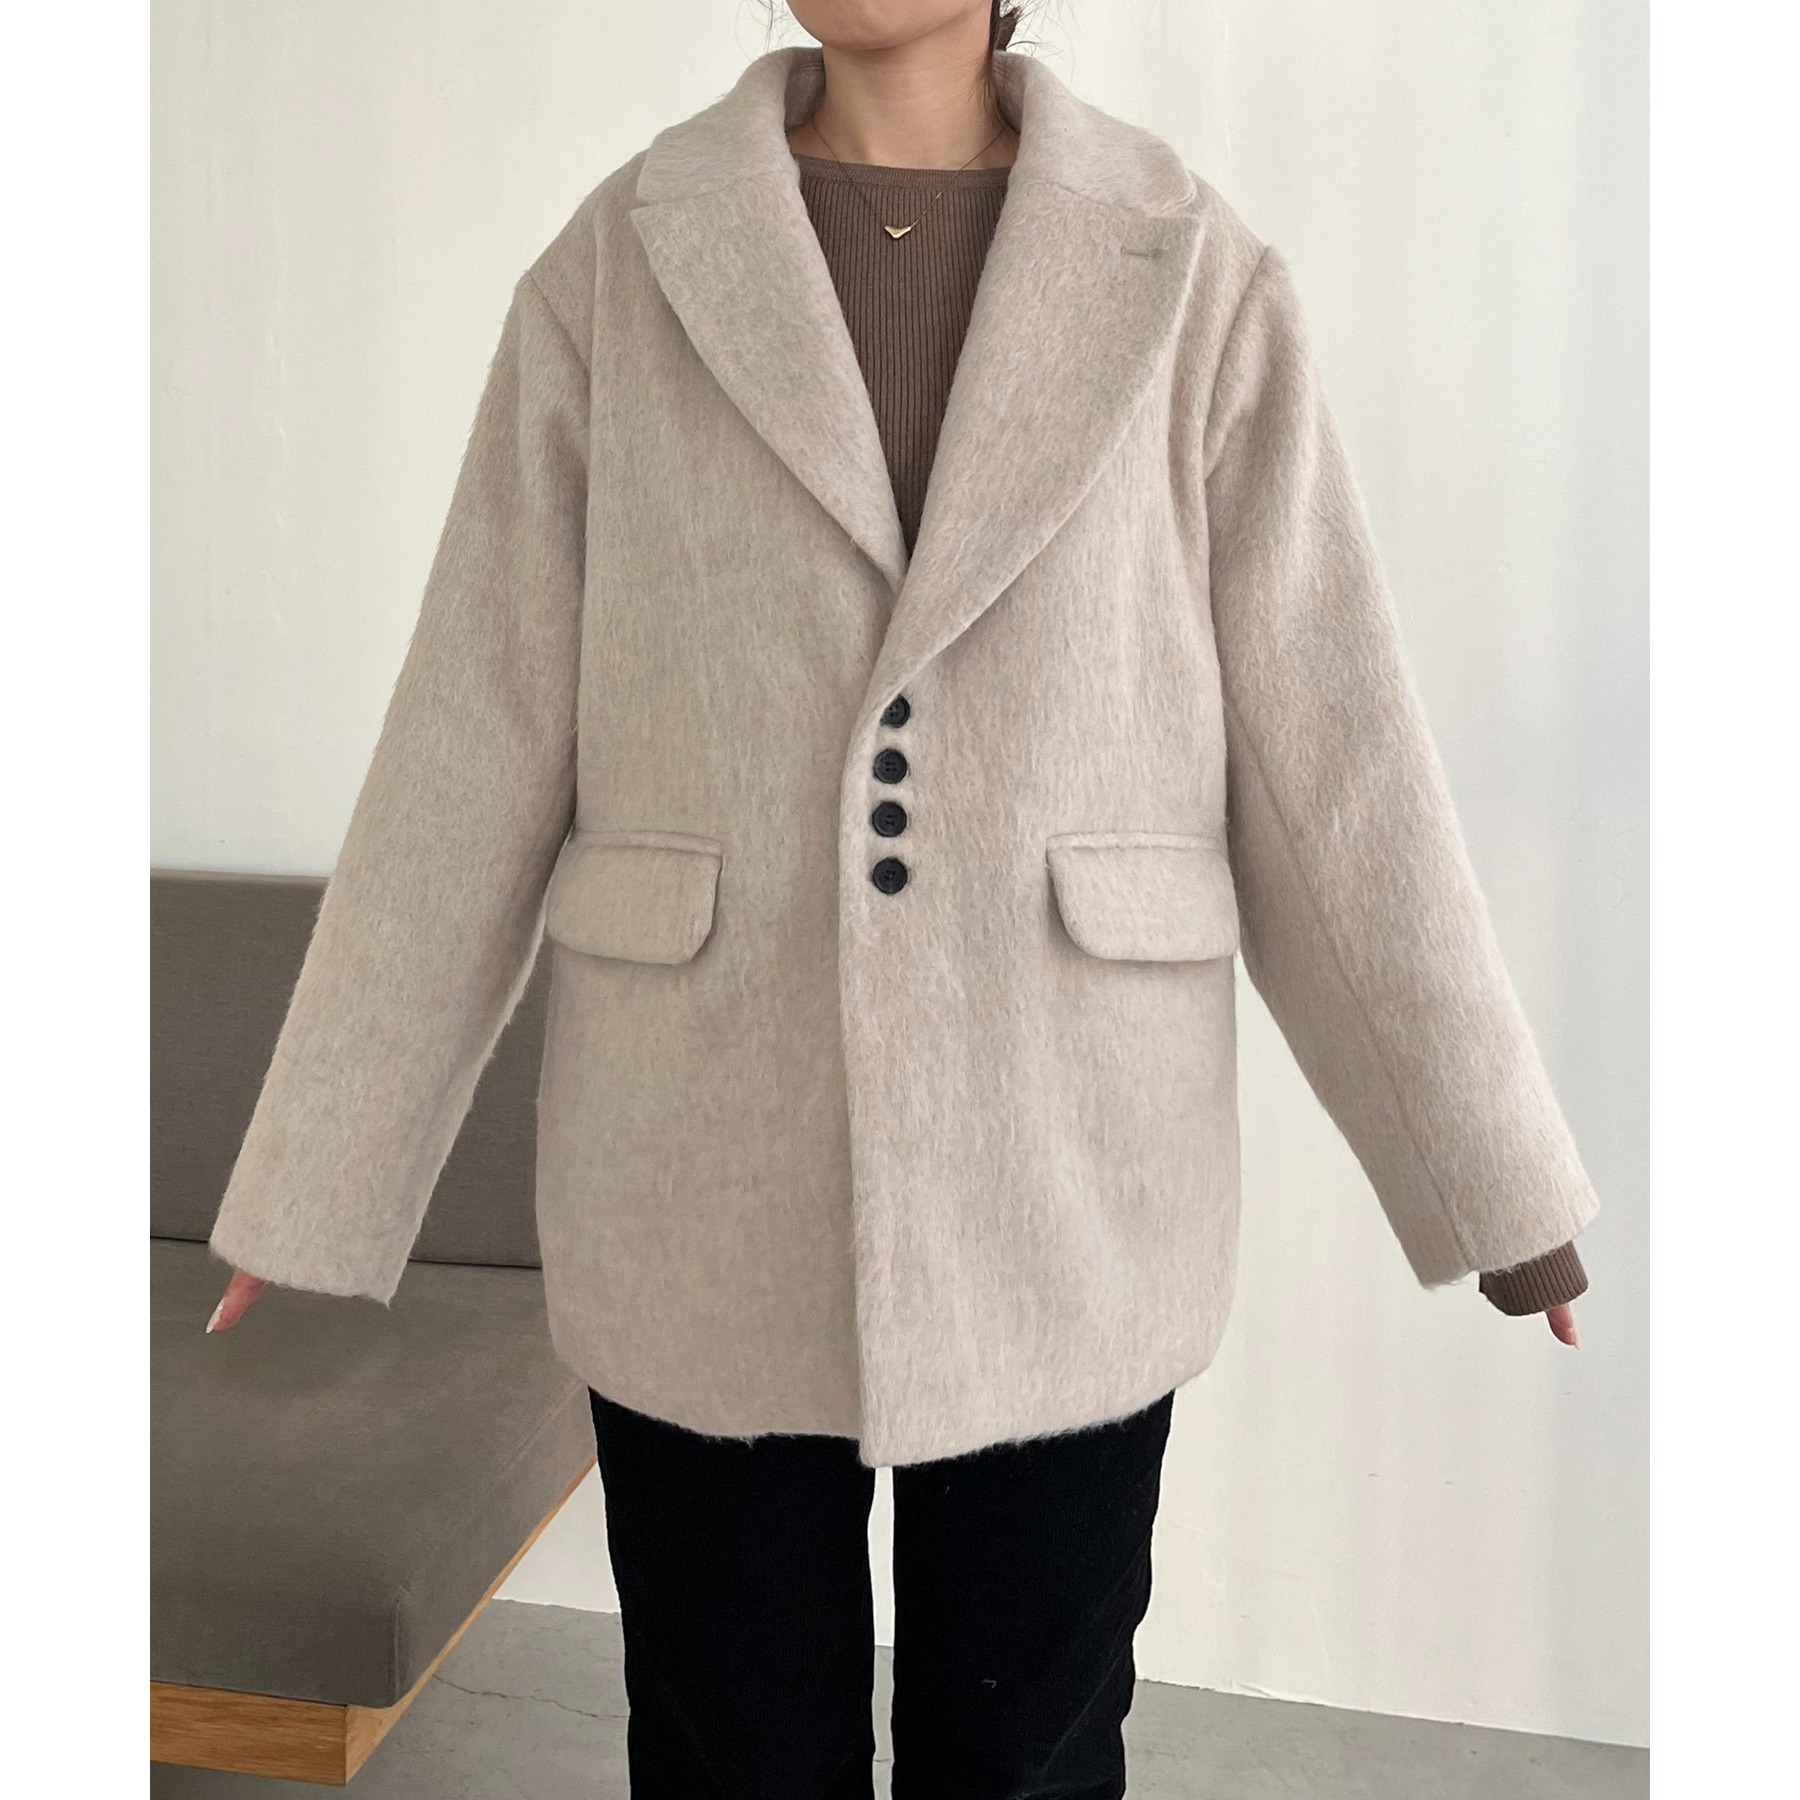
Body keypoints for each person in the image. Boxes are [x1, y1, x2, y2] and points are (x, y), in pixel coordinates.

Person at [202, 4, 1598, 1794]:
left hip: (1070, 1175)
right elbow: (473, 739)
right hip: (698, 1170)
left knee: (1027, 1754)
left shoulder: (1191, 271)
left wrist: (1493, 1181)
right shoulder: (622, 264)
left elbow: (1335, 756)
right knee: (726, 1750)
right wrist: (323, 1170)